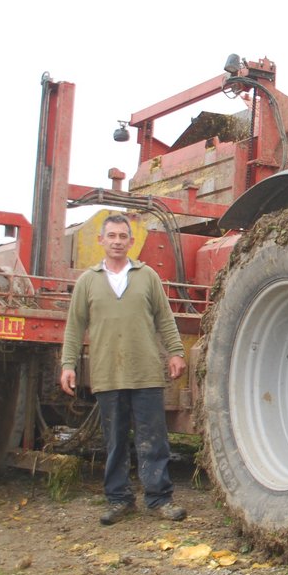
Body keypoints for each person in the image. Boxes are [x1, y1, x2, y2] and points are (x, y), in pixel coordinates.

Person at [60, 213, 188, 525]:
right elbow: (74, 327)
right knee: (115, 441)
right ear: (100, 241)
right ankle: (119, 500)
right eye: (112, 236)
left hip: (145, 371)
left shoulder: (148, 277)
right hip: (107, 374)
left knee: (153, 440)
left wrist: (175, 352)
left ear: (131, 242)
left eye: (122, 237)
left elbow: (165, 318)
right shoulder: (88, 281)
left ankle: (159, 499)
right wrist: (68, 364)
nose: (117, 242)